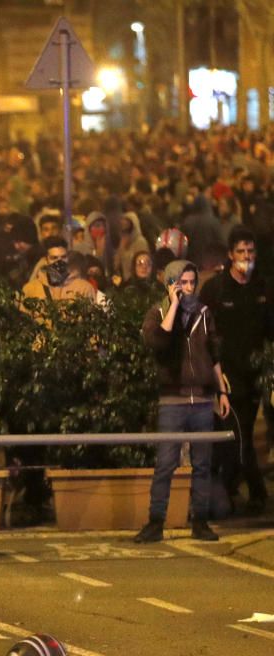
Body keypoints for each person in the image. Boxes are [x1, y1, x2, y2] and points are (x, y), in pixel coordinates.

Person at [135, 260, 230, 543]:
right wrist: (174, 305)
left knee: (203, 464)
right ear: (171, 284)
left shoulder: (204, 313)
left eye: (192, 283)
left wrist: (221, 391)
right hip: (172, 400)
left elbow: (213, 354)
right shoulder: (158, 312)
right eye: (183, 283)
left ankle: (200, 521)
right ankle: (155, 521)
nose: (189, 289)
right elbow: (159, 342)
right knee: (165, 463)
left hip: (201, 398)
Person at [199, 227, 271, 515]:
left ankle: (233, 489)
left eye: (250, 251)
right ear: (230, 255)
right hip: (225, 375)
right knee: (237, 433)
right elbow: (204, 331)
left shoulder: (263, 288)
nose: (246, 257)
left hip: (255, 374)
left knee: (242, 433)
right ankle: (253, 490)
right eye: (241, 252)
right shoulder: (216, 289)